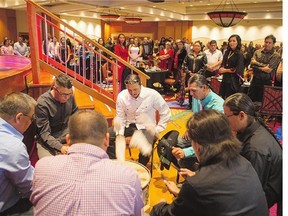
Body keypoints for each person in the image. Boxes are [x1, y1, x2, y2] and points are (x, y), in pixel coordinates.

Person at [151, 110, 268, 216]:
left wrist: (159, 206)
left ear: (197, 145)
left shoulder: (198, 184)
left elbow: (170, 214)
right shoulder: (244, 162)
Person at [31, 110, 143, 215]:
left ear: (68, 140)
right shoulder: (128, 176)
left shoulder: (42, 167)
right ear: (106, 139)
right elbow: (137, 213)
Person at [223, 93, 282, 212]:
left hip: (262, 197)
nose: (225, 121)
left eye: (226, 116)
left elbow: (251, 188)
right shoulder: (251, 126)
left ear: (241, 115)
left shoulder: (255, 148)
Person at [107, 74, 171, 166]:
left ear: (140, 85)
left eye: (135, 89)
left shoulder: (152, 94)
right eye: (130, 90)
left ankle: (142, 166)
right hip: (128, 126)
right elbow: (120, 117)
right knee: (108, 135)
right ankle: (114, 164)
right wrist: (120, 135)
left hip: (146, 128)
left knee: (147, 143)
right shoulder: (122, 96)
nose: (133, 92)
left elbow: (166, 112)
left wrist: (157, 130)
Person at [172, 74, 224, 169]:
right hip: (200, 133)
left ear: (204, 87)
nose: (191, 94)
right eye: (190, 90)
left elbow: (211, 141)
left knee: (183, 152)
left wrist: (187, 152)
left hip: (212, 142)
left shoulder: (217, 108)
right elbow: (196, 116)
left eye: (193, 90)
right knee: (175, 142)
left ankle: (195, 176)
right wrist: (190, 129)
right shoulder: (199, 97)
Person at [0, 92, 36, 215]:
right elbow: (29, 188)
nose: (31, 122)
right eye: (31, 118)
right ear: (19, 117)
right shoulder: (13, 147)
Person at [35, 74, 78, 159]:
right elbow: (44, 133)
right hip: (48, 139)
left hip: (67, 135)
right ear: (55, 89)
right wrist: (60, 147)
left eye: (69, 94)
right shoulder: (43, 103)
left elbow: (75, 114)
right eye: (64, 94)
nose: (67, 98)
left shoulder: (70, 96)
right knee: (47, 165)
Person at [247, 34, 281, 102]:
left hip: (266, 82)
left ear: (273, 44)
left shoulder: (276, 55)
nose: (267, 44)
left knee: (262, 102)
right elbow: (251, 64)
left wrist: (256, 64)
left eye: (269, 43)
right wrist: (263, 66)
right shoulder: (257, 52)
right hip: (255, 80)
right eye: (266, 42)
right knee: (250, 101)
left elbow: (268, 70)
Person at [219, 34, 245, 99]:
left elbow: (238, 68)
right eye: (230, 41)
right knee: (223, 97)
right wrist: (221, 68)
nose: (231, 43)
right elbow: (223, 63)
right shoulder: (227, 52)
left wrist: (225, 70)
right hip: (225, 78)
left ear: (238, 42)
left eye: (234, 41)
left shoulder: (239, 54)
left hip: (233, 80)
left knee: (230, 98)